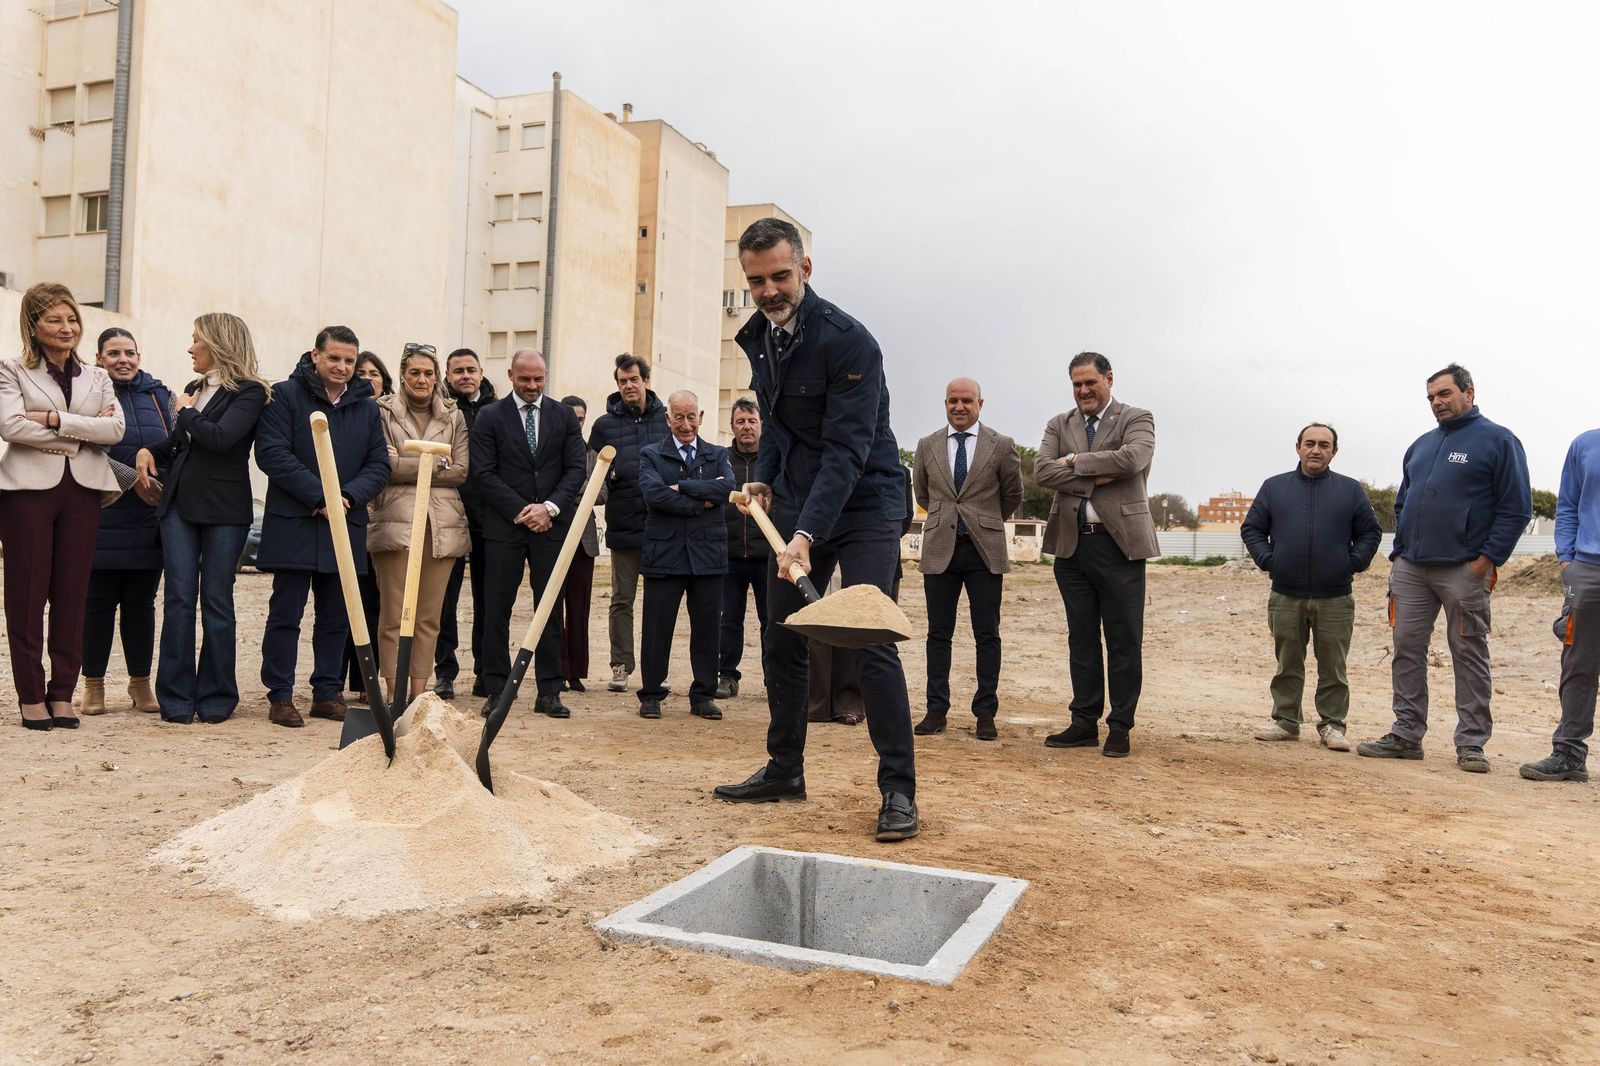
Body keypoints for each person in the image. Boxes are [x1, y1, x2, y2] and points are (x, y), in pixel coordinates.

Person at [712, 217, 919, 843]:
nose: (769, 290)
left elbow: (846, 449)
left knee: (869, 639)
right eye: (756, 281)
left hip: (865, 505)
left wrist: (804, 535)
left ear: (805, 268)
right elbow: (775, 423)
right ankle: (784, 769)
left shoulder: (851, 342)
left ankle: (899, 792)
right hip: (800, 502)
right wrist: (765, 479)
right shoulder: (760, 336)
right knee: (781, 637)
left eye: (779, 275)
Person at [1357, 364, 1531, 772]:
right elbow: (1403, 502)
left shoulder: (1498, 441)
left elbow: (1517, 508)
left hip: (1463, 570)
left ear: (1469, 392)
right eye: (1431, 398)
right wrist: (1399, 553)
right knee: (1406, 651)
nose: (1437, 403)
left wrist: (1486, 560)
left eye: (1445, 394)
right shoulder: (1420, 445)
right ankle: (1406, 734)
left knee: (1469, 653)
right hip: (1412, 569)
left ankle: (1471, 744)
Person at [0, 283, 125, 730]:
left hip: (84, 490)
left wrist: (54, 420)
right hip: (27, 491)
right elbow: (11, 426)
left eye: (72, 319)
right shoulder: (10, 369)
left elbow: (114, 430)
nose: (67, 327)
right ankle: (31, 695)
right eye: (55, 319)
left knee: (73, 595)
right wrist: (81, 432)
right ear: (33, 325)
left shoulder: (98, 376)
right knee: (27, 595)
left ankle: (62, 694)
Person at [254, 326, 389, 728]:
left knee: (336, 615)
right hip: (296, 520)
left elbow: (379, 464)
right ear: (316, 355)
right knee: (286, 614)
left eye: (349, 361)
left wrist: (344, 497)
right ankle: (279, 696)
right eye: (334, 358)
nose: (342, 367)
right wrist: (320, 496)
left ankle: (326, 694)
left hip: (345, 522)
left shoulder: (366, 408)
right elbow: (272, 454)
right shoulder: (284, 396)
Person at [138, 313, 270, 724]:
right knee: (178, 599)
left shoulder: (251, 392)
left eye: (196, 340)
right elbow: (183, 444)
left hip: (225, 509)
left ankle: (216, 696)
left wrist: (184, 411)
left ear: (217, 344)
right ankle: (175, 698)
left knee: (217, 601)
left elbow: (219, 438)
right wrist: (150, 451)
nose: (190, 348)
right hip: (178, 504)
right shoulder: (195, 389)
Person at [1035, 352, 1158, 759]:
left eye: (1090, 382)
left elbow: (1132, 459)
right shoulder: (1059, 423)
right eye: (1076, 384)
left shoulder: (1136, 417)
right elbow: (1041, 472)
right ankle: (1083, 722)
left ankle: (1120, 726)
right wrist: (1098, 473)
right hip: (1071, 545)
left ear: (1109, 378)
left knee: (1124, 639)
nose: (1084, 391)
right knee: (1081, 638)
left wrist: (1073, 463)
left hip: (1119, 544)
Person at [1240, 423, 1382, 751]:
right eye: (1309, 443)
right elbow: (1252, 529)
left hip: (1335, 596)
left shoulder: (1350, 490)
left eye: (1323, 444)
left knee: (1333, 665)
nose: (1315, 449)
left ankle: (1332, 725)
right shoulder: (1275, 488)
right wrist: (1269, 560)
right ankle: (1286, 721)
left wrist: (1353, 562)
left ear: (1334, 451)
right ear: (1298, 447)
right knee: (1287, 662)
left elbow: (1369, 533)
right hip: (1285, 593)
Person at [470, 349, 586, 718]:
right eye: (525, 379)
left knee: (549, 608)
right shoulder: (489, 416)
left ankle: (549, 690)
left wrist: (549, 508)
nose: (532, 386)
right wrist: (522, 511)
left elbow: (575, 468)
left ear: (546, 375)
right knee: (495, 609)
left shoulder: (564, 415)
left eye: (538, 379)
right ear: (510, 375)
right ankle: (496, 689)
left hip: (551, 527)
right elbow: (483, 473)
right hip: (505, 528)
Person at [912, 377, 1023, 741]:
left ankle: (985, 713)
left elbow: (1013, 495)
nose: (959, 407)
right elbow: (923, 493)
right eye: (952, 401)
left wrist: (984, 520)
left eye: (966, 401)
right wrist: (950, 518)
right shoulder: (927, 445)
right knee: (938, 634)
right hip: (941, 549)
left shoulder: (1001, 446)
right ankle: (936, 710)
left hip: (984, 551)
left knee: (986, 634)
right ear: (945, 404)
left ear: (980, 403)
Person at [367, 344, 469, 704]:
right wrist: (432, 462)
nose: (421, 379)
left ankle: (419, 696)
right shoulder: (382, 412)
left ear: (437, 377)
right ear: (404, 375)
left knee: (428, 616)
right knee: (394, 614)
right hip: (397, 521)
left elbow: (460, 470)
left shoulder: (453, 415)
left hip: (442, 527)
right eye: (414, 373)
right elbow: (383, 465)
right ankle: (394, 694)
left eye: (428, 373)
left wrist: (407, 460)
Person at [79, 327, 173, 717]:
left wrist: (159, 483)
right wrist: (131, 479)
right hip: (102, 513)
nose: (124, 360)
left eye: (130, 352)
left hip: (149, 519)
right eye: (114, 353)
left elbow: (175, 445)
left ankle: (140, 684)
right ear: (99, 358)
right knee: (97, 605)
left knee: (141, 605)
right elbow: (82, 447)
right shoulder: (88, 393)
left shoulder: (160, 397)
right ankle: (94, 687)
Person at [636, 390, 734, 720]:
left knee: (708, 629)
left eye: (691, 416)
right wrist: (703, 501)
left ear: (701, 417)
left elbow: (727, 489)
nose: (686, 423)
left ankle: (703, 694)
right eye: (679, 416)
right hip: (664, 554)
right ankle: (651, 694)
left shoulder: (718, 455)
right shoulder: (651, 454)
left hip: (707, 555)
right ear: (668, 419)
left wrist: (682, 488)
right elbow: (654, 495)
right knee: (656, 629)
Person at [586, 353, 670, 692]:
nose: (628, 386)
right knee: (622, 600)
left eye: (634, 379)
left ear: (646, 380)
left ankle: (654, 671)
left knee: (658, 600)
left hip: (663, 526)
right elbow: (593, 474)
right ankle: (620, 665)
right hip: (623, 525)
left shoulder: (666, 420)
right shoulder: (604, 426)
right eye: (622, 381)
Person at [1521, 427, 1600, 784]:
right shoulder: (1585, 444)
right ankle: (1569, 752)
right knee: (1578, 663)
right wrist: (1567, 561)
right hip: (1587, 568)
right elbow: (1567, 504)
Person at [435, 347, 497, 698]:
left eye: (470, 369)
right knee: (445, 599)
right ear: (448, 375)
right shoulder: (440, 411)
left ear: (481, 371)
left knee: (487, 600)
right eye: (457, 371)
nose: (464, 376)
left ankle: (485, 671)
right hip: (449, 513)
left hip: (489, 517)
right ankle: (445, 672)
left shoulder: (498, 409)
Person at [341, 351, 391, 702]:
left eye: (375, 373)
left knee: (377, 605)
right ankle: (351, 678)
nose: (368, 378)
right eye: (362, 372)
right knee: (350, 603)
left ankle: (367, 681)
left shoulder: (394, 412)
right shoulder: (349, 411)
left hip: (388, 518)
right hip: (355, 512)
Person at [717, 397, 769, 700]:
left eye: (752, 421)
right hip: (730, 555)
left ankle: (772, 677)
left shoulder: (772, 460)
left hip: (767, 557)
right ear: (732, 426)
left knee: (770, 621)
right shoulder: (721, 461)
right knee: (729, 620)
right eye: (740, 422)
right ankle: (726, 675)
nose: (746, 427)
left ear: (761, 425)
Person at [560, 395, 602, 692]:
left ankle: (575, 672)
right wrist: (580, 488)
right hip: (554, 536)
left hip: (584, 541)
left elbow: (603, 494)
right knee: (551, 609)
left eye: (581, 418)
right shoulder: (550, 450)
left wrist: (569, 489)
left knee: (579, 608)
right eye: (572, 417)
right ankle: (554, 669)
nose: (577, 423)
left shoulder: (596, 455)